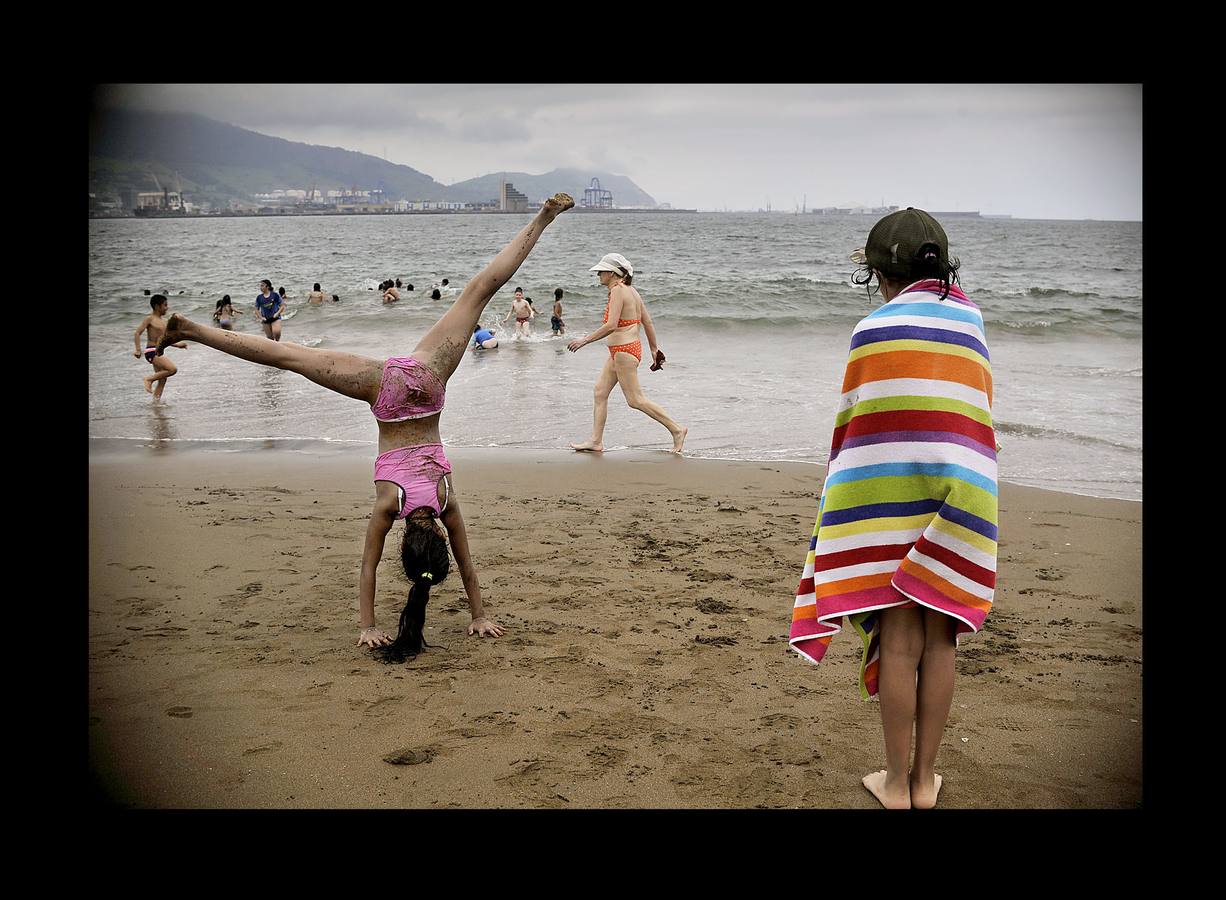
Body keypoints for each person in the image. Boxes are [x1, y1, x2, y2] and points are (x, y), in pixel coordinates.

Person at [151, 192, 576, 655]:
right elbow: (369, 570)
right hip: (385, 391)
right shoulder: (387, 507)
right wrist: (368, 626)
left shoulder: (445, 499)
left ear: (433, 535)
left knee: (478, 291)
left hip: (427, 380)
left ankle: (544, 216)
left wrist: (480, 611)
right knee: (288, 358)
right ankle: (190, 329)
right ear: (406, 545)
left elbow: (466, 564)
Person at [787, 208, 998, 810]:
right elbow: (976, 411)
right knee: (942, 638)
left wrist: (841, 500)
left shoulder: (872, 330)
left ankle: (895, 782)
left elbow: (856, 426)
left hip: (888, 492)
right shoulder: (972, 321)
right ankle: (927, 779)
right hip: (963, 490)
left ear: (878, 274)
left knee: (901, 639)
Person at [568, 253, 686, 453]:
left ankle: (677, 429)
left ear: (612, 274)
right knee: (600, 392)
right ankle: (596, 441)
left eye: (601, 271)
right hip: (622, 351)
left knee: (635, 400)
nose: (598, 275)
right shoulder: (632, 291)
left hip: (624, 351)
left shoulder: (618, 291)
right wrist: (653, 349)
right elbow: (647, 322)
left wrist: (584, 340)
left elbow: (612, 325)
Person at [132, 294, 188, 398]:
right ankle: (149, 379)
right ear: (157, 306)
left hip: (159, 351)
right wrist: (138, 350)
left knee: (162, 380)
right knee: (172, 369)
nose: (167, 308)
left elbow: (165, 340)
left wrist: (178, 345)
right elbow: (137, 333)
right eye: (165, 305)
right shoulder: (150, 319)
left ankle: (156, 405)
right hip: (151, 351)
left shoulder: (165, 322)